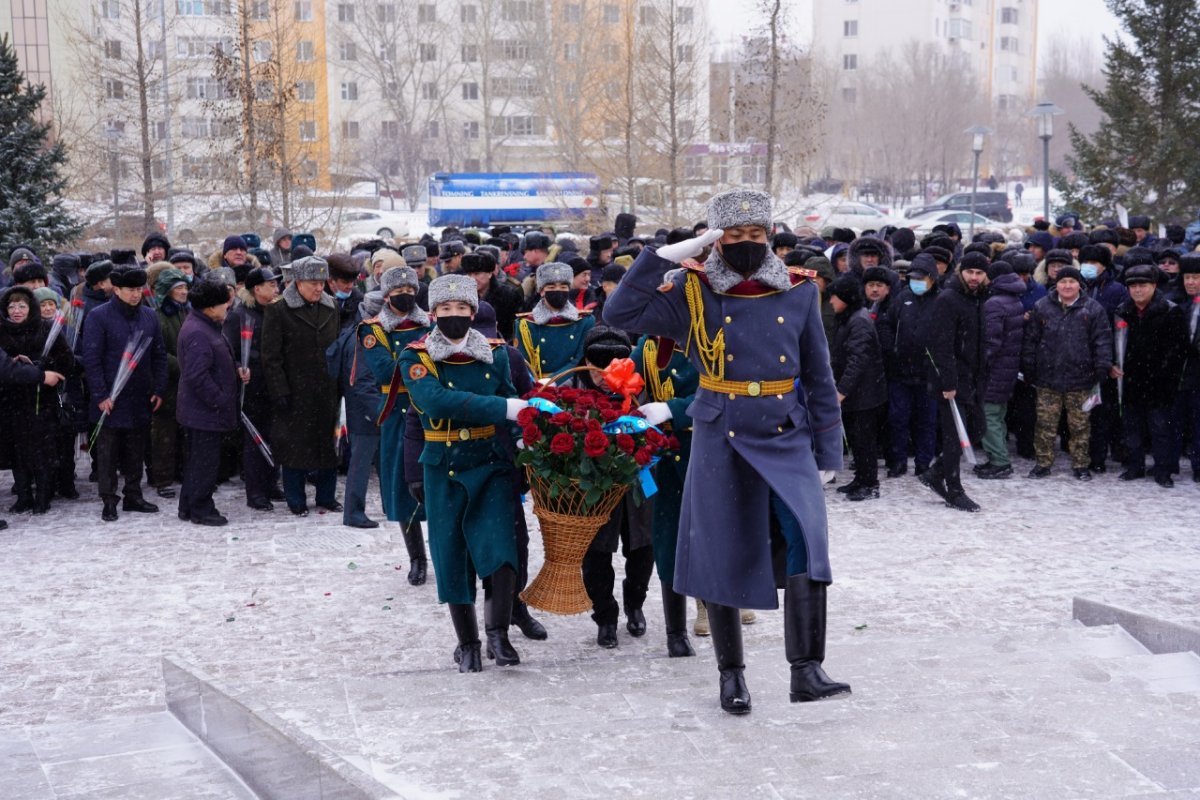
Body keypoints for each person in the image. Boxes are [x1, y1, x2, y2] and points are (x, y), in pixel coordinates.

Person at [604, 189, 850, 715]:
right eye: (733, 237)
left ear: (770, 237)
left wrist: (829, 450)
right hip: (722, 433)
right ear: (715, 241)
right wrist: (669, 253)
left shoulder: (799, 291)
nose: (745, 244)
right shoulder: (693, 291)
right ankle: (731, 676)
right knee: (719, 549)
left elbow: (819, 377)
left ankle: (806, 669)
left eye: (755, 236)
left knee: (808, 539)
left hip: (786, 431)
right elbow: (619, 310)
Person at [400, 274, 528, 673]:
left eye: (461, 309)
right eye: (444, 309)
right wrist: (503, 409)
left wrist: (526, 440)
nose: (453, 315)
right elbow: (435, 402)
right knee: (452, 555)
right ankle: (467, 641)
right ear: (432, 313)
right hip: (445, 465)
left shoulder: (497, 353)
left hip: (491, 462)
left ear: (473, 312)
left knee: (501, 552)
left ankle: (498, 634)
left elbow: (513, 399)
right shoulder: (416, 357)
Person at [573, 328, 655, 648]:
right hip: (592, 487)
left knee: (643, 548)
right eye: (598, 366)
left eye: (614, 364)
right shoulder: (571, 388)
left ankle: (635, 603)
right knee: (595, 555)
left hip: (638, 481)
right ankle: (604, 614)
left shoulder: (642, 389)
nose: (605, 375)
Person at [358, 265, 431, 579]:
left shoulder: (434, 322)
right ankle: (417, 558)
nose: (405, 296)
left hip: (433, 415)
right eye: (398, 292)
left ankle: (448, 551)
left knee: (441, 487)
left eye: (410, 291)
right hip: (399, 417)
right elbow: (385, 371)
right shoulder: (373, 330)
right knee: (404, 492)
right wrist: (422, 363)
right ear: (386, 295)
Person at [81, 264, 168, 522]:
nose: (135, 294)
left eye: (139, 289)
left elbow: (159, 355)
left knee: (136, 449)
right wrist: (100, 395)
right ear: (116, 289)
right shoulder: (98, 316)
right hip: (110, 396)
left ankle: (133, 494)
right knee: (107, 452)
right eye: (130, 290)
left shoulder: (149, 316)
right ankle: (109, 499)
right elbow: (92, 359)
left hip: (140, 394)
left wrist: (159, 388)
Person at [631, 331, 697, 657]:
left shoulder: (713, 337)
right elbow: (625, 386)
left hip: (708, 453)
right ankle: (676, 632)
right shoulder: (649, 346)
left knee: (710, 539)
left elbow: (729, 393)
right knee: (668, 541)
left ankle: (718, 608)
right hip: (665, 457)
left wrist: (674, 409)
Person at [261, 256, 343, 515]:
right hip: (295, 390)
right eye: (312, 283)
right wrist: (279, 390)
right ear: (297, 282)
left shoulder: (331, 307)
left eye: (322, 283)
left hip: (327, 388)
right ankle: (295, 498)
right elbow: (270, 356)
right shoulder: (278, 309)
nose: (319, 288)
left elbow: (337, 347)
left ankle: (326, 496)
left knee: (328, 445)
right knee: (295, 446)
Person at [1021, 266, 1112, 481]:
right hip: (1048, 378)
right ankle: (1043, 463)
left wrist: (1102, 366)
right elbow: (1031, 340)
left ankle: (1081, 464)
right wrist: (1029, 366)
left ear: (1079, 284)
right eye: (1063, 282)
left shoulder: (1093, 309)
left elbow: (1102, 340)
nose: (1067, 286)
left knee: (1080, 425)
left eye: (1072, 281)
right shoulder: (1042, 307)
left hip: (1081, 379)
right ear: (1057, 284)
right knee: (1045, 424)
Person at [921, 251, 989, 512]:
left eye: (979, 273)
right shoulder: (948, 299)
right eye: (970, 272)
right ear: (961, 271)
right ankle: (954, 488)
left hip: (972, 378)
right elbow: (941, 345)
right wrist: (948, 382)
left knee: (976, 430)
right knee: (954, 438)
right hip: (950, 381)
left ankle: (935, 473)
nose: (974, 277)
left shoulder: (979, 298)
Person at [176, 280, 245, 525]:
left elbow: (218, 358)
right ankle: (201, 508)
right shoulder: (198, 330)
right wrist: (220, 399)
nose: (228, 306)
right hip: (203, 411)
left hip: (202, 409)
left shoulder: (207, 325)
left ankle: (187, 505)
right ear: (210, 306)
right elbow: (197, 375)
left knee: (198, 460)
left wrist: (236, 369)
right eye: (224, 303)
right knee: (205, 462)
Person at [0, 286, 75, 514]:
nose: (16, 311)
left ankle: (43, 495)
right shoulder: (2, 331)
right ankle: (23, 495)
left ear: (30, 307)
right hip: (11, 401)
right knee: (17, 451)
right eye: (11, 306)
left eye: (22, 306)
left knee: (43, 449)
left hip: (42, 401)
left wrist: (46, 367)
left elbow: (67, 361)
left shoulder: (46, 328)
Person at [1114, 264, 1189, 487]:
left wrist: (1166, 374)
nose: (1138, 290)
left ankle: (1162, 471)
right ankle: (1135, 466)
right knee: (1132, 427)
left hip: (1160, 381)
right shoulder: (1122, 309)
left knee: (1160, 428)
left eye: (1143, 285)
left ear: (1154, 286)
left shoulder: (1169, 310)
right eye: (1133, 286)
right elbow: (1115, 343)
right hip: (1130, 379)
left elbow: (1178, 349)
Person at [223, 267, 283, 510]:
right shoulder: (239, 315)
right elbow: (228, 348)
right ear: (257, 289)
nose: (276, 289)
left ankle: (271, 483)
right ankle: (255, 492)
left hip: (274, 385)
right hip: (252, 387)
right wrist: (239, 366)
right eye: (271, 285)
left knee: (275, 436)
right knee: (254, 441)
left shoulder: (277, 311)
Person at [878, 253, 940, 477]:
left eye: (921, 278)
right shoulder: (901, 298)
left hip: (928, 374)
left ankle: (924, 463)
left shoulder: (941, 300)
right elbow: (885, 324)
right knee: (898, 419)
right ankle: (898, 461)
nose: (916, 282)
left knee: (927, 422)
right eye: (913, 277)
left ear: (932, 278)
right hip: (900, 372)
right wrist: (891, 348)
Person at [328, 291, 385, 530]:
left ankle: (390, 505)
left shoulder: (360, 330)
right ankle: (353, 511)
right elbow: (361, 381)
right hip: (366, 411)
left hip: (368, 409)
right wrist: (381, 412)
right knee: (361, 464)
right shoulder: (365, 337)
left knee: (382, 460)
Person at [827, 274, 887, 500]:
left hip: (865, 394)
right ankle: (861, 478)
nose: (831, 301)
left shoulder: (859, 321)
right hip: (858, 393)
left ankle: (870, 483)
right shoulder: (849, 317)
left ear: (845, 298)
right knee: (855, 438)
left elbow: (857, 360)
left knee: (864, 440)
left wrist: (841, 391)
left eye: (834, 297)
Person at [977, 260, 1026, 479]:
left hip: (994, 370)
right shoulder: (1014, 299)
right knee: (999, 414)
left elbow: (991, 342)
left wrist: (979, 364)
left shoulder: (994, 303)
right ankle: (998, 457)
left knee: (989, 416)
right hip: (1007, 367)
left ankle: (999, 461)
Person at [514, 262, 595, 384]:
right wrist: (536, 384)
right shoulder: (526, 324)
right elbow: (523, 362)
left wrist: (553, 381)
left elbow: (580, 359)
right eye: (551, 287)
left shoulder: (584, 321)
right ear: (541, 291)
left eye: (563, 287)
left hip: (572, 383)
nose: (558, 290)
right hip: (537, 384)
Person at [150, 268, 190, 499]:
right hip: (167, 382)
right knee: (164, 434)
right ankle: (163, 477)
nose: (184, 292)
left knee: (185, 431)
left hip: (186, 383)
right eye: (179, 288)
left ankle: (183, 472)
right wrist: (184, 364)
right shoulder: (157, 316)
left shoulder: (187, 313)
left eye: (185, 287)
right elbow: (158, 352)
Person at [1173, 254, 1200, 481]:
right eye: (1187, 277)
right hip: (1179, 374)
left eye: (1196, 277)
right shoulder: (1177, 305)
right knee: (1175, 421)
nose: (1190, 282)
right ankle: (1169, 464)